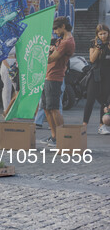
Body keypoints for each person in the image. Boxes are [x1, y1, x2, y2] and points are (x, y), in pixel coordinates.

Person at [40, 17, 75, 147]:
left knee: (54, 108)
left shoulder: (67, 42)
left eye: (56, 28)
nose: (54, 31)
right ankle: (54, 137)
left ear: (64, 26)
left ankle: (62, 137)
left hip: (55, 76)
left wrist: (39, 52)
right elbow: (52, 51)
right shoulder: (61, 40)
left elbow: (51, 59)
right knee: (47, 108)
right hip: (48, 75)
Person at [82, 24, 110, 134]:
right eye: (101, 34)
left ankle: (101, 126)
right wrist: (98, 48)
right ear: (97, 35)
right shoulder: (94, 43)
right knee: (90, 99)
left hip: (108, 75)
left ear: (108, 32)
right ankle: (84, 125)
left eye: (105, 33)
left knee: (104, 101)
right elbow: (92, 59)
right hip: (96, 74)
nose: (103, 36)